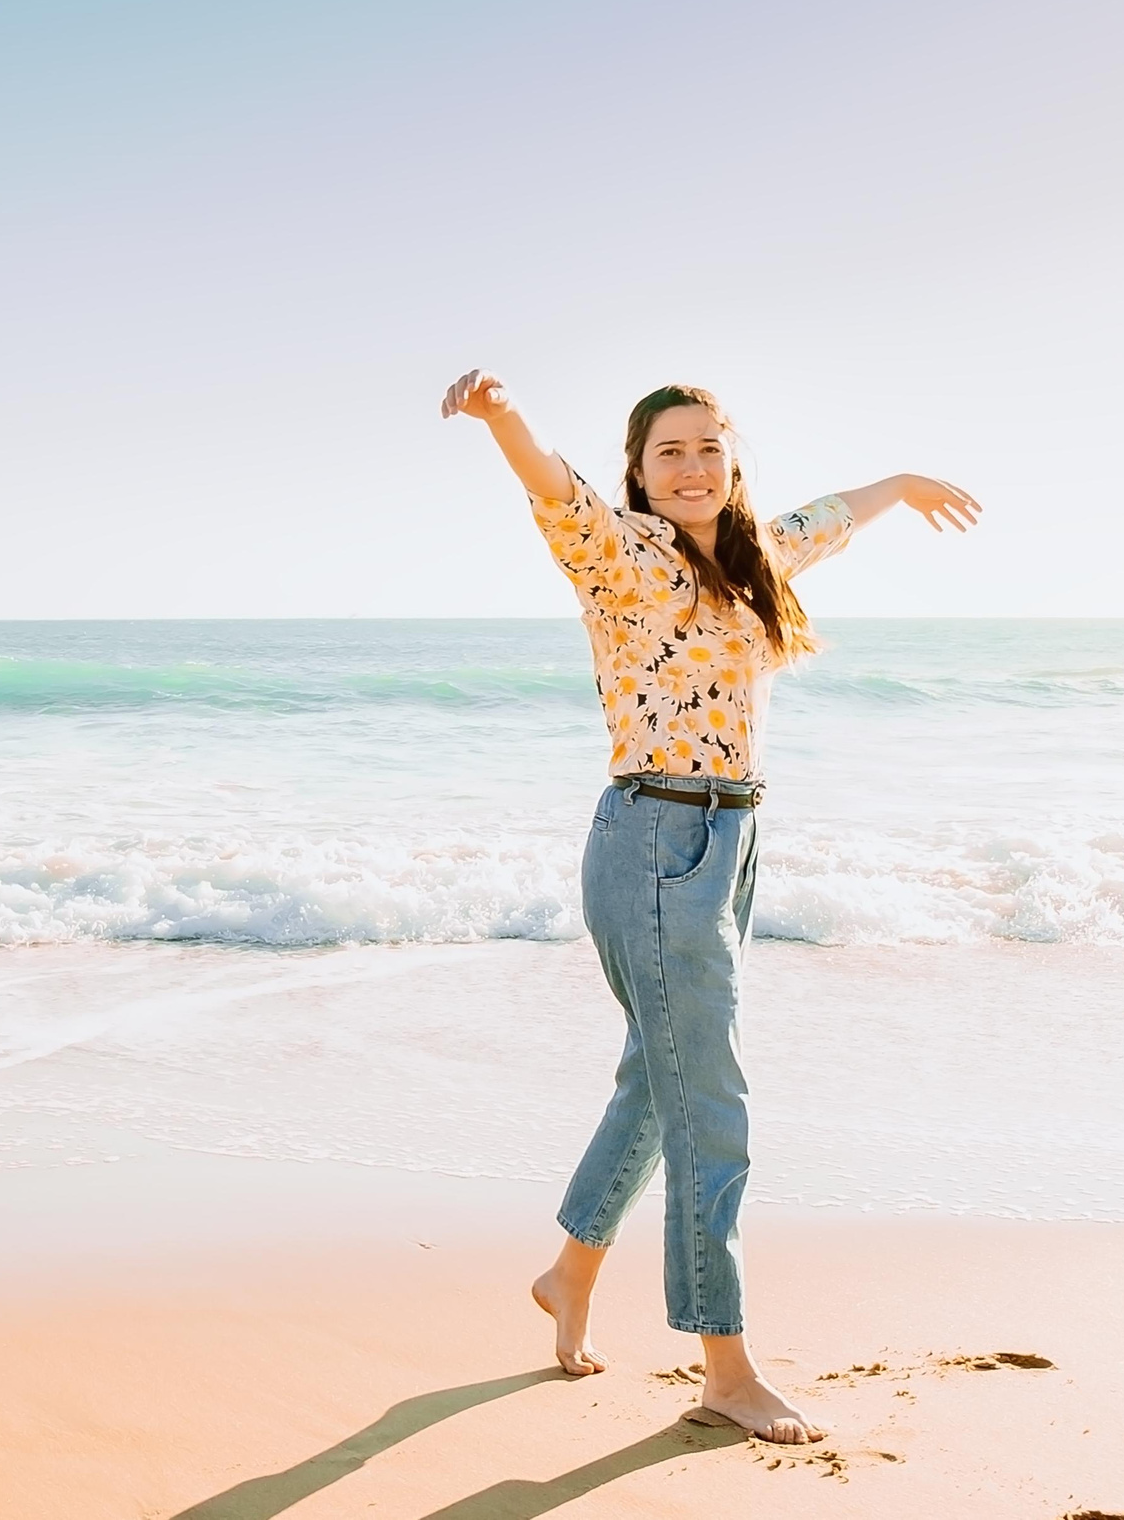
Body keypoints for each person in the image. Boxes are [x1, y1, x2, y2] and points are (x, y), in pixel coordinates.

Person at [441, 368, 979, 1444]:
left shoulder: (756, 557)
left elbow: (830, 516)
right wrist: (503, 417)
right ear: (640, 474)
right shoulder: (622, 554)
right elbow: (554, 487)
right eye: (668, 453)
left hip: (730, 838)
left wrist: (902, 483)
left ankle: (568, 1272)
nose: (691, 468)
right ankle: (724, 1366)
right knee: (711, 1102)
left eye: (708, 449)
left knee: (664, 1080)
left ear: (732, 465)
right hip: (654, 837)